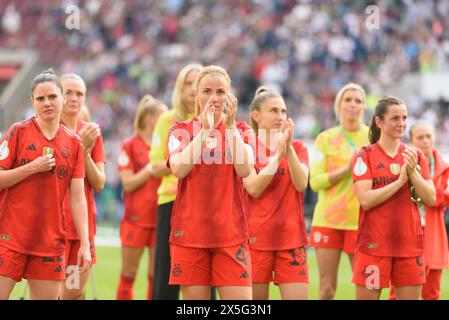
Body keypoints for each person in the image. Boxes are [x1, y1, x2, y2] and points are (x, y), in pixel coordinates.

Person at [0, 69, 91, 300]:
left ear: (62, 97)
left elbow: (78, 197)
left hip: (50, 243)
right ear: (33, 102)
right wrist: (32, 167)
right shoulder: (17, 132)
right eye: (40, 99)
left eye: (52, 97)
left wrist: (85, 243)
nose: (47, 103)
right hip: (10, 238)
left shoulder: (74, 143)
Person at [167, 65, 254, 300]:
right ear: (196, 94)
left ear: (229, 96)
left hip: (230, 234)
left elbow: (245, 169)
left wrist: (229, 127)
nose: (214, 98)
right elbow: (179, 168)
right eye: (207, 91)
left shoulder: (242, 130)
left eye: (220, 91)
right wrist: (205, 132)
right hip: (190, 235)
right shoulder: (180, 130)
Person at [352, 96, 436, 300]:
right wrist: (399, 183)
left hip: (409, 246)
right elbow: (366, 200)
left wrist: (413, 173)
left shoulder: (415, 155)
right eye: (395, 118)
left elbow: (431, 198)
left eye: (404, 118)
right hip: (373, 247)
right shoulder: (364, 156)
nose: (402, 123)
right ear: (379, 122)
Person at [243, 87, 310, 300]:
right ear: (256, 116)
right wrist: (276, 156)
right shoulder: (246, 147)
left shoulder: (298, 148)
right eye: (273, 111)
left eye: (283, 111)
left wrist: (287, 149)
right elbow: (253, 188)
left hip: (291, 240)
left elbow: (301, 184)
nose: (280, 116)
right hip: (255, 240)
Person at [309, 83, 370, 299]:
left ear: (364, 107)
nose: (353, 105)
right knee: (326, 288)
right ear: (338, 106)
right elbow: (315, 182)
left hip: (362, 223)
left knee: (366, 289)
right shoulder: (325, 138)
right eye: (348, 100)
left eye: (358, 100)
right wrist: (346, 170)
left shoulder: (374, 138)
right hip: (328, 222)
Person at [150, 63, 203, 300]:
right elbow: (155, 166)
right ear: (179, 89)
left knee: (204, 273)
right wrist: (183, 163)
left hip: (206, 206)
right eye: (188, 83)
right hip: (171, 201)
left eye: (198, 83)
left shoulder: (217, 121)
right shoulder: (167, 120)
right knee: (166, 271)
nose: (193, 89)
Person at [59, 73, 106, 300]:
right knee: (49, 294)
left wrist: (84, 151)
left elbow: (99, 182)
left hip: (80, 231)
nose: (74, 98)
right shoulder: (46, 129)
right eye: (68, 92)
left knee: (74, 293)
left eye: (79, 94)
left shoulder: (91, 133)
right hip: (51, 229)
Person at [389, 121, 449, 300]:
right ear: (411, 141)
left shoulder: (444, 168)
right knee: (397, 293)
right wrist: (427, 193)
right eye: (420, 137)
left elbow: (440, 198)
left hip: (434, 236)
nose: (425, 141)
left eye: (428, 136)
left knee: (431, 294)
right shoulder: (400, 163)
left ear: (434, 138)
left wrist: (417, 193)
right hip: (406, 234)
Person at [116, 95, 167, 300]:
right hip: (135, 220)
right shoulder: (129, 145)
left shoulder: (166, 146)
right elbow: (128, 183)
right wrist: (150, 169)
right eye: (163, 116)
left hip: (160, 219)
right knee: (128, 275)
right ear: (150, 118)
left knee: (156, 277)